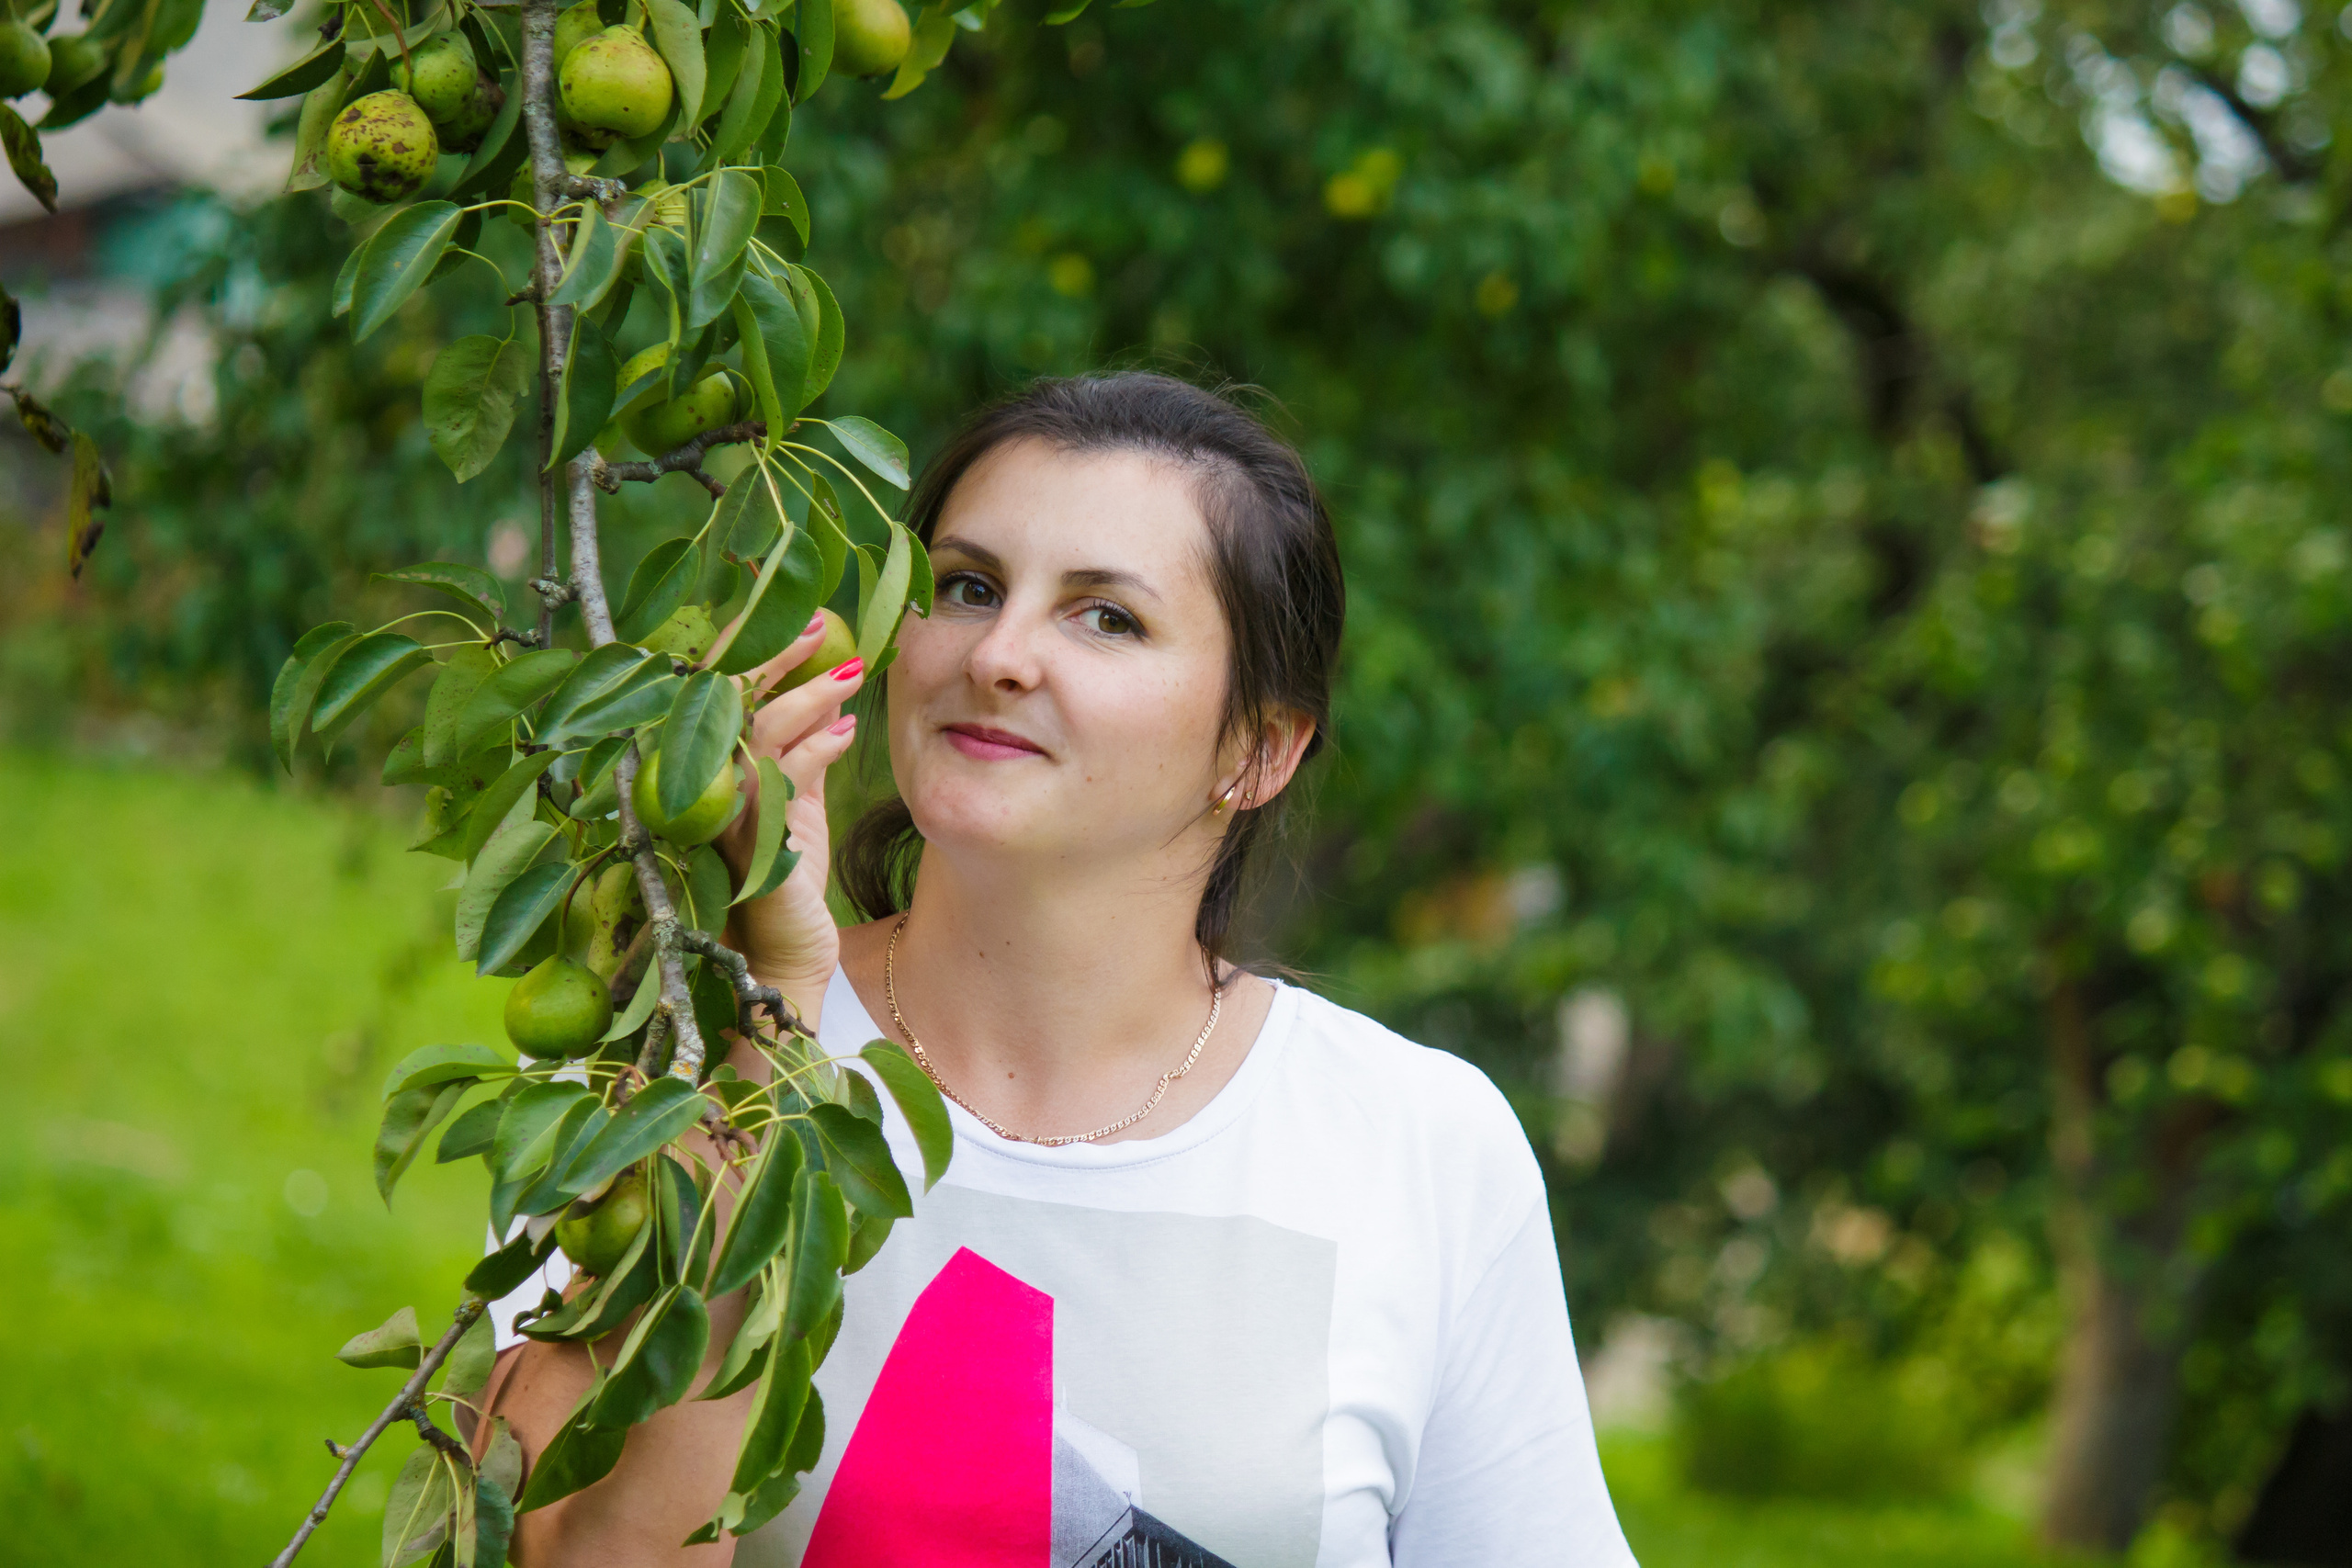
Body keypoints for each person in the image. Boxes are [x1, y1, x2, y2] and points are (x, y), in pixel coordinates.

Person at [485, 372, 1636, 1567]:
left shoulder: (1416, 1148)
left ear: (1257, 749)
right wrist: (769, 1008)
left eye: (1107, 617)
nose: (1000, 653)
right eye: (968, 588)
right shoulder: (655, 1068)